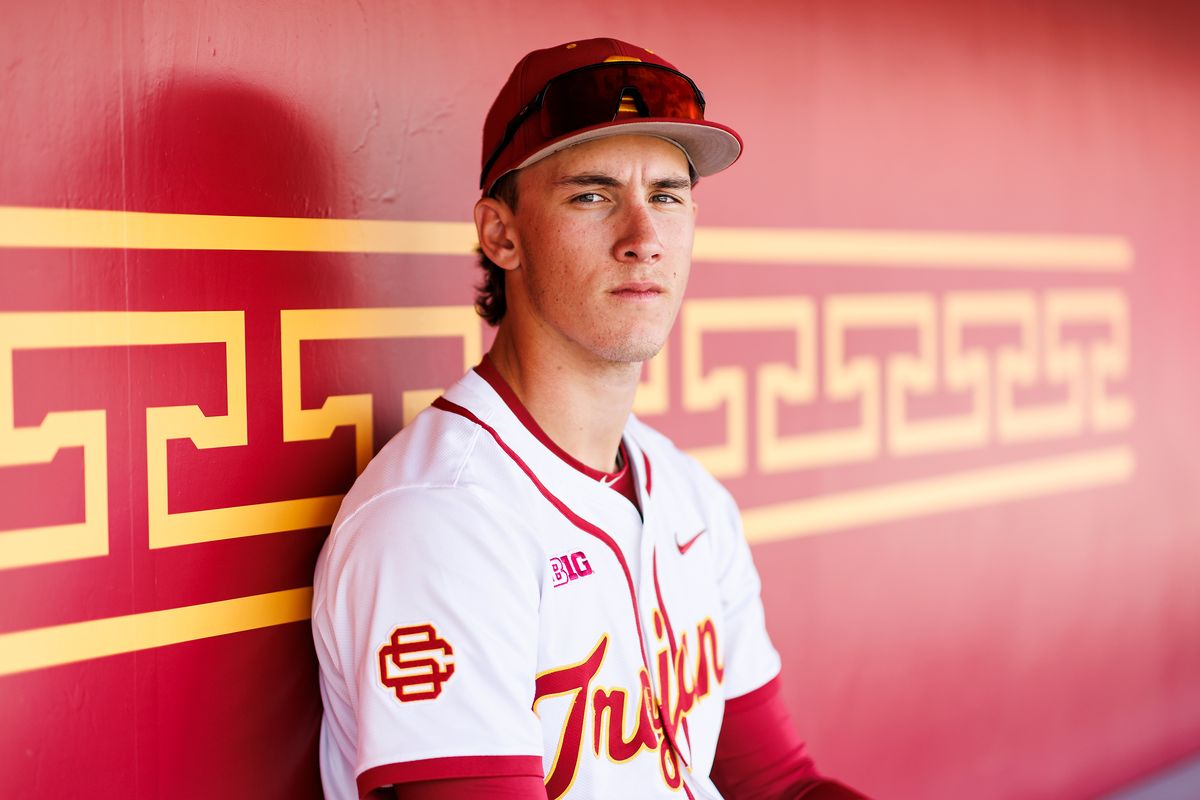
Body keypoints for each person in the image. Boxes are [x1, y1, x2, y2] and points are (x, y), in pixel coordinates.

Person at [312, 37, 867, 800]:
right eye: (592, 195)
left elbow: (778, 786)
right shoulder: (441, 521)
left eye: (668, 196)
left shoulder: (688, 494)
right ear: (501, 234)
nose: (644, 238)